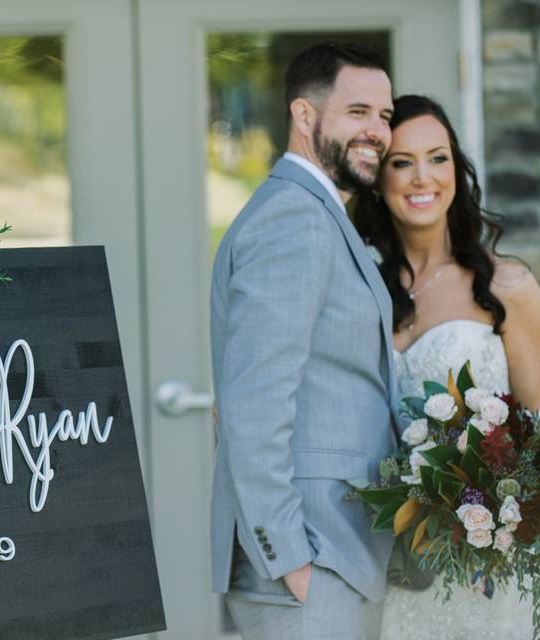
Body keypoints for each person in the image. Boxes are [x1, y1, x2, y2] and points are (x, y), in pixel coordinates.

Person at [210, 42, 398, 639]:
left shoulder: (319, 215)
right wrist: (289, 557)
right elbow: (254, 405)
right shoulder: (294, 218)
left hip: (338, 557)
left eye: (385, 117)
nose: (377, 131)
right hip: (312, 561)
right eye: (358, 112)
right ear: (305, 116)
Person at [353, 94, 540, 639]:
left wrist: (495, 513)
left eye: (438, 158)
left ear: (457, 170)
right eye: (402, 162)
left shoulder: (508, 285)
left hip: (485, 573)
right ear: (378, 178)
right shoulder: (357, 291)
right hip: (389, 564)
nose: (423, 178)